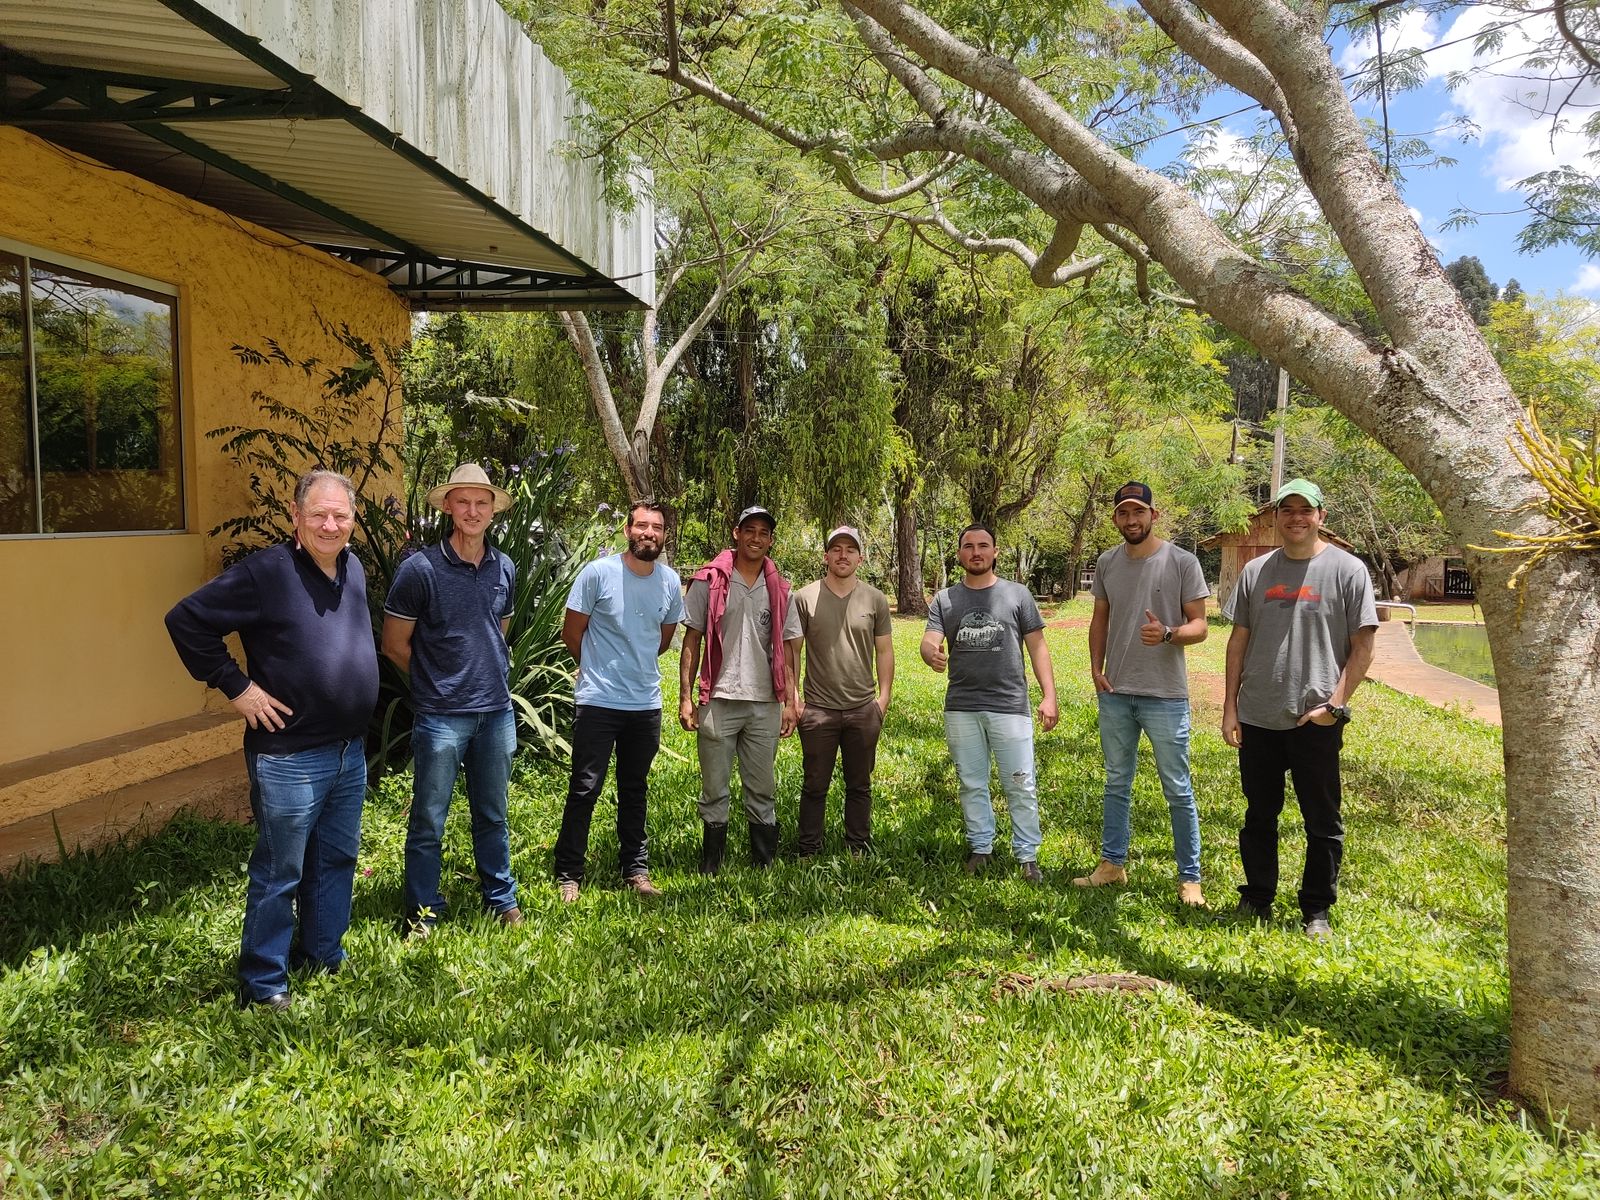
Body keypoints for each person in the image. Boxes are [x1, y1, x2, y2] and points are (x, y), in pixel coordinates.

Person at [165, 469, 378, 1011]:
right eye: (318, 515)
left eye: (341, 514)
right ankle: (263, 984)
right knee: (280, 871)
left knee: (335, 860)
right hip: (290, 756)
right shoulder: (267, 573)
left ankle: (324, 955)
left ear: (352, 518)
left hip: (348, 751)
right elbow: (185, 620)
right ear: (295, 516)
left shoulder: (352, 568)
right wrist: (238, 688)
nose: (330, 525)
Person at [1221, 478, 1378, 937]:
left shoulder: (1348, 571)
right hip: (1258, 714)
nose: (1295, 518)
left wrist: (1336, 705)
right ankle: (1257, 897)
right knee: (1258, 815)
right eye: (1286, 510)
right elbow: (1238, 642)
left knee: (1322, 819)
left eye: (1304, 510)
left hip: (1315, 717)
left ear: (1320, 517)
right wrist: (1229, 707)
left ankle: (1316, 909)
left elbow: (1363, 646)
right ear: (1275, 517)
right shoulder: (1256, 572)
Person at [383, 463, 522, 936]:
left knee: (493, 812)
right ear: (447, 507)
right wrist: (433, 685)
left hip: (496, 712)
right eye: (463, 501)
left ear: (492, 511)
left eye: (481, 503)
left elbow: (497, 633)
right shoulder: (419, 569)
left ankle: (501, 898)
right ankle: (423, 912)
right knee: (428, 818)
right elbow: (394, 643)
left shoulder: (505, 567)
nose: (472, 511)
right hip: (441, 716)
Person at [1074, 482, 1212, 906]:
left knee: (1177, 788)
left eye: (1139, 512)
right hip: (1116, 692)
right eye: (1123, 513)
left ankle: (1190, 878)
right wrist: (1096, 669)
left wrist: (1169, 633)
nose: (1131, 520)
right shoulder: (1107, 563)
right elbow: (1101, 618)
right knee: (1117, 782)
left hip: (1164, 695)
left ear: (1154, 515)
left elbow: (1201, 626)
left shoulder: (1181, 562)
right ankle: (1112, 864)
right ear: (1115, 518)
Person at [553, 500, 685, 902]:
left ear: (664, 535)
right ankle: (568, 872)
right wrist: (596, 668)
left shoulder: (669, 582)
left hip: (645, 703)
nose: (649, 533)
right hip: (598, 700)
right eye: (642, 525)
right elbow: (572, 633)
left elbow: (662, 641)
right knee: (585, 787)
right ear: (628, 531)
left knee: (635, 788)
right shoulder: (598, 574)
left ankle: (635, 869)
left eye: (657, 527)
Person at [920, 523, 1059, 882]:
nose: (976, 552)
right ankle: (981, 847)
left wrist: (1049, 696)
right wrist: (929, 653)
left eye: (984, 546)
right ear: (960, 554)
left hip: (1009, 703)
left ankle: (1027, 856)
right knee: (971, 781)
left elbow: (1037, 646)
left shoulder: (1017, 595)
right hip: (962, 705)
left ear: (995, 552)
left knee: (1020, 781)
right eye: (969, 546)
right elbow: (929, 639)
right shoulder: (945, 599)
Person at [679, 505, 802, 873]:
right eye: (750, 530)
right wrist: (686, 697)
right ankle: (711, 863)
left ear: (770, 540)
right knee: (715, 788)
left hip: (765, 703)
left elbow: (790, 646)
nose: (756, 538)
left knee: (762, 787)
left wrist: (793, 701)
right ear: (736, 533)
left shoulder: (780, 588)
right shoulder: (709, 581)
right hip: (719, 699)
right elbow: (692, 639)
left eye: (764, 532)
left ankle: (763, 861)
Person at [790, 525, 894, 857]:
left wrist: (883, 699)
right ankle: (808, 849)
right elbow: (791, 651)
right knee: (814, 785)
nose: (843, 555)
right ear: (826, 556)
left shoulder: (874, 599)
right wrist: (794, 700)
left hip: (863, 708)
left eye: (850, 549)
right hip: (818, 709)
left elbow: (885, 651)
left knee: (859, 785)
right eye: (836, 549)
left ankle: (858, 847)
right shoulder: (804, 598)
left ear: (860, 558)